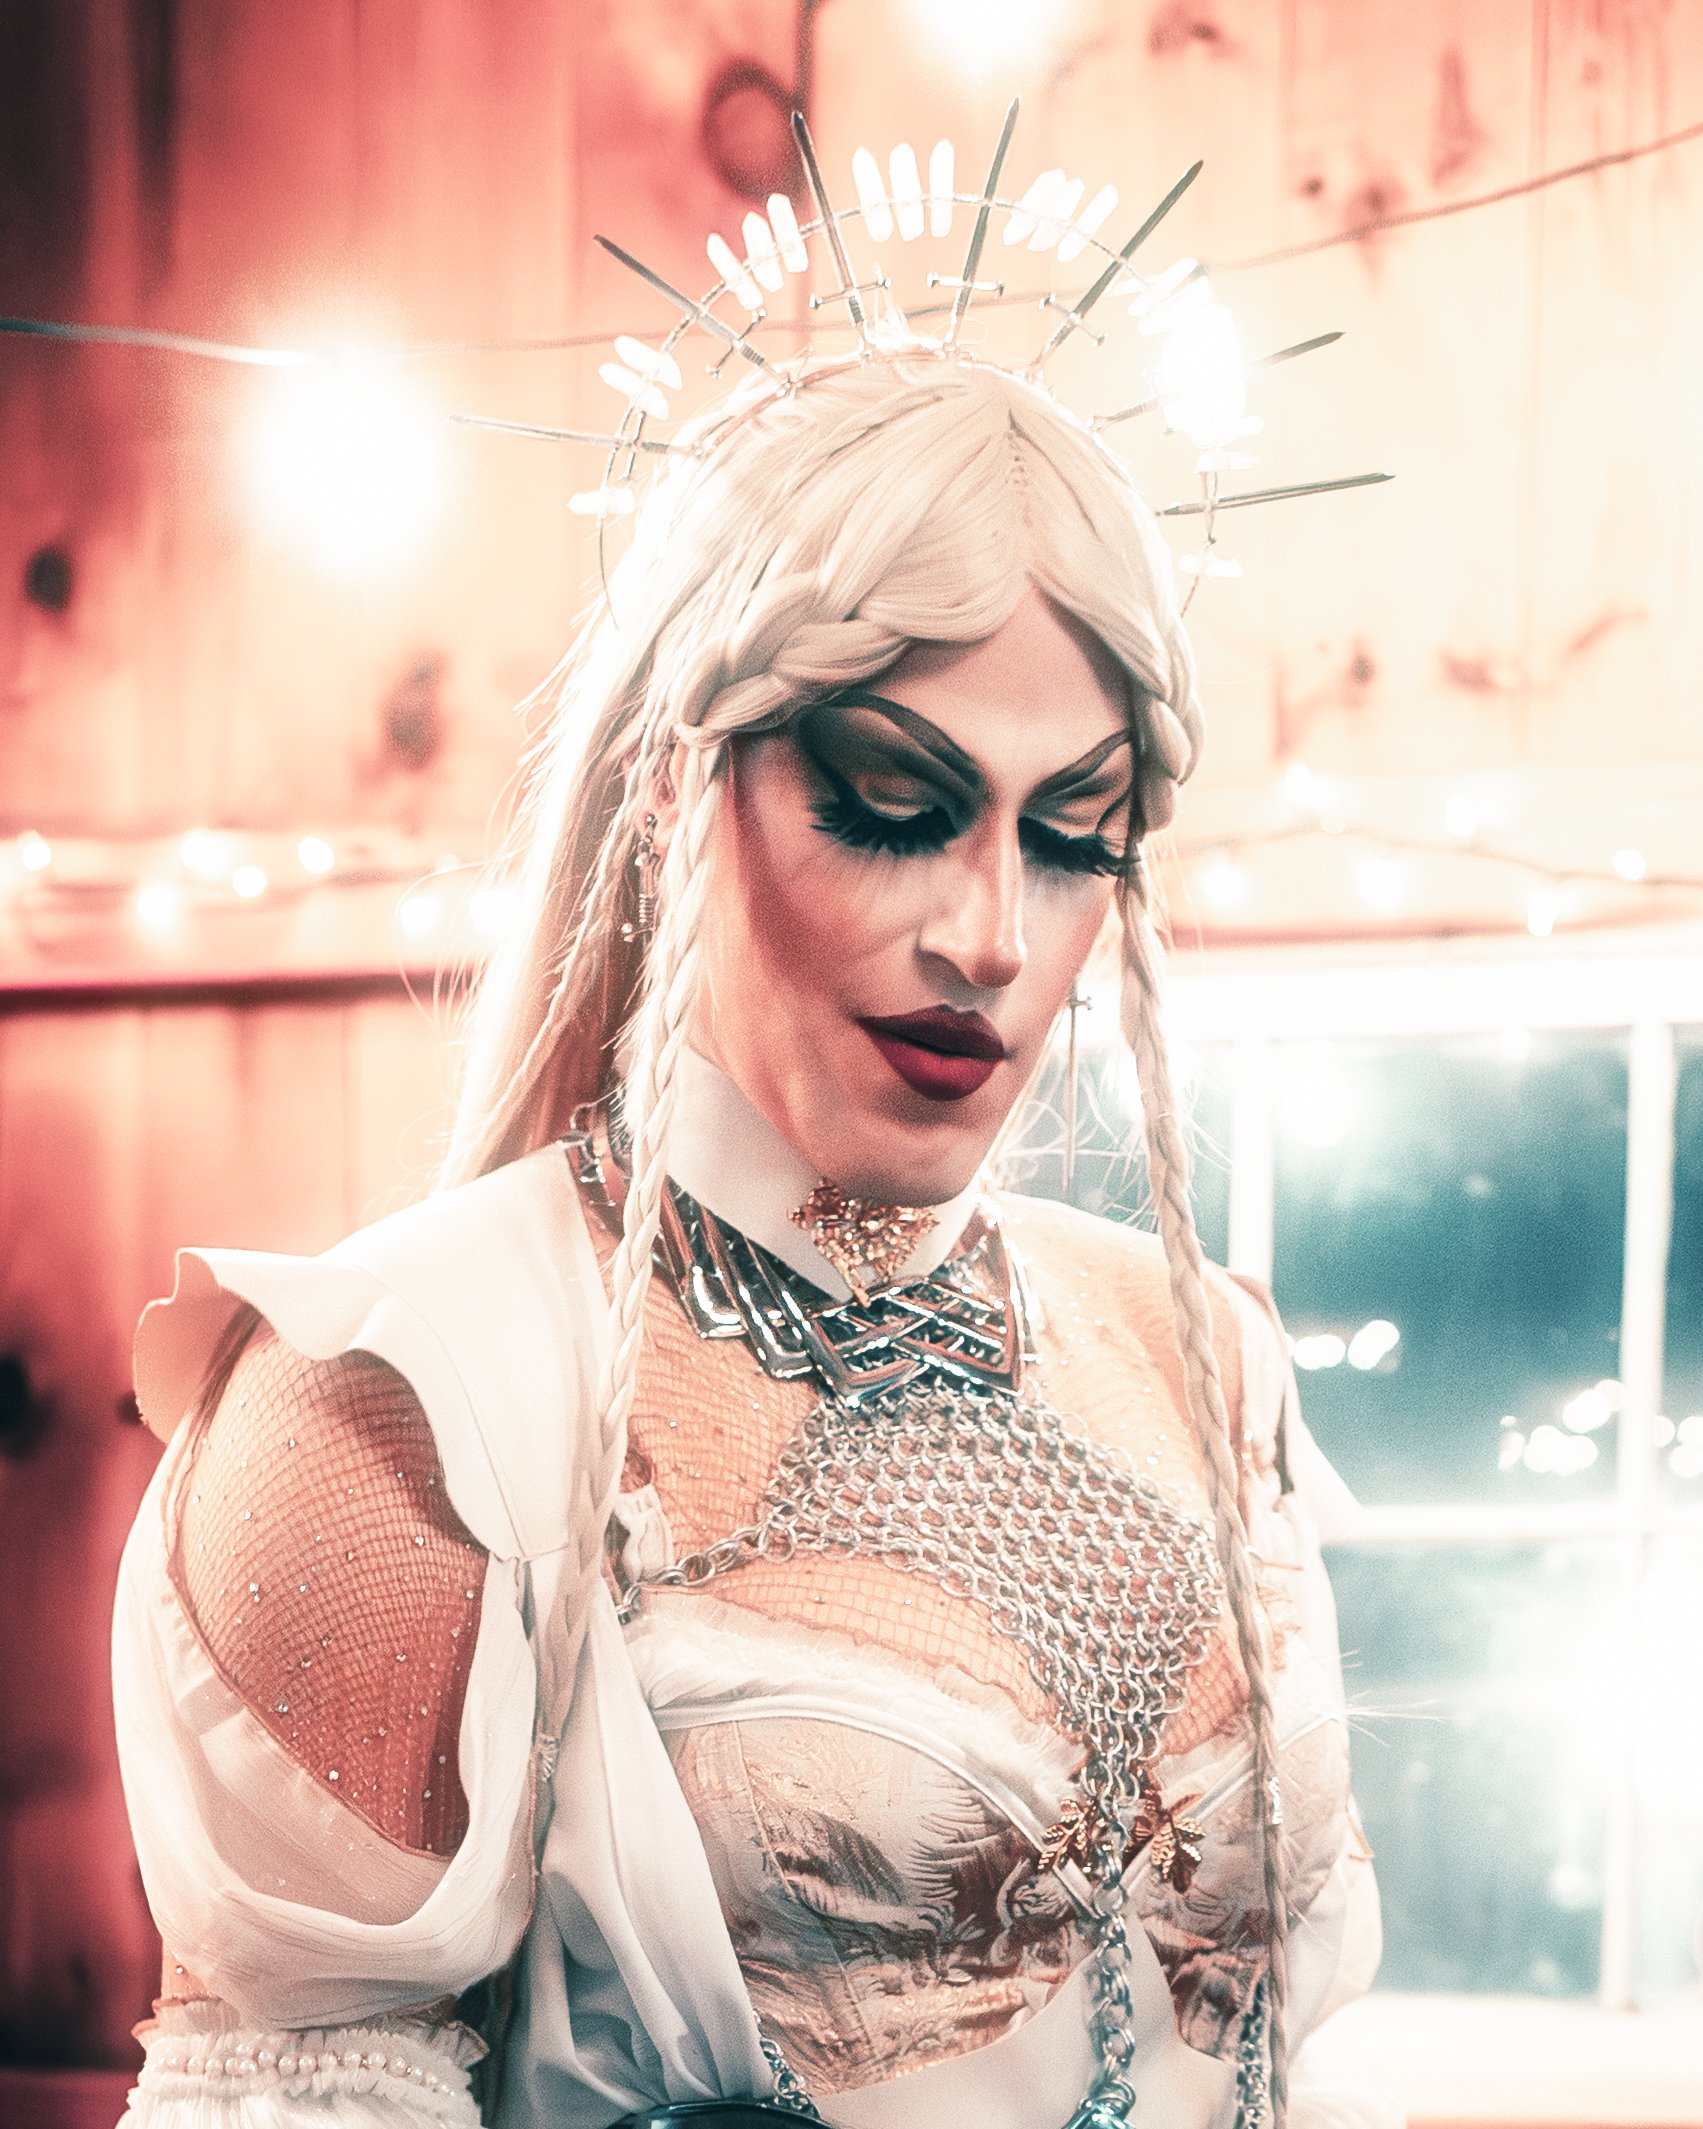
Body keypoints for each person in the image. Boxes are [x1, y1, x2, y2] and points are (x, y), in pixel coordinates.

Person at [112, 345, 1387, 2129]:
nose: (992, 934)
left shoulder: (1201, 1354)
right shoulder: (402, 1403)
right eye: (891, 804)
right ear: (668, 791)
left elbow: (1312, 2054)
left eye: (1076, 834)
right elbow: (296, 2091)